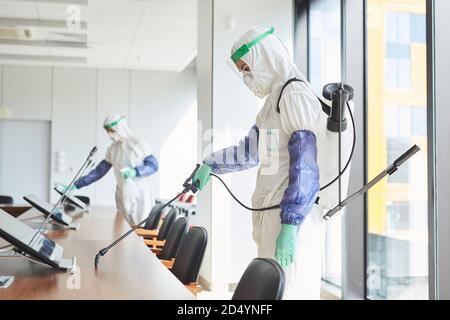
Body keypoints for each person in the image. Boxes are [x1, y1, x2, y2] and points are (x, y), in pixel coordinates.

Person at [193, 26, 353, 299]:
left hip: (290, 220)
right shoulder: (273, 102)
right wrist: (211, 163)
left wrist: (290, 223)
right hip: (273, 215)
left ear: (263, 59)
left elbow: (305, 163)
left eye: (247, 68)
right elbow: (251, 152)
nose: (246, 77)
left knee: (290, 292)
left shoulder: (294, 94)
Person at [60, 113, 159, 226]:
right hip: (123, 194)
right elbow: (99, 172)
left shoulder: (138, 143)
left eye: (111, 130)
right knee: (123, 229)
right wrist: (76, 185)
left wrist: (135, 171)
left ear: (119, 128)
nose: (109, 134)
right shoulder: (113, 149)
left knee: (140, 229)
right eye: (107, 131)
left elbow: (153, 165)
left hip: (140, 194)